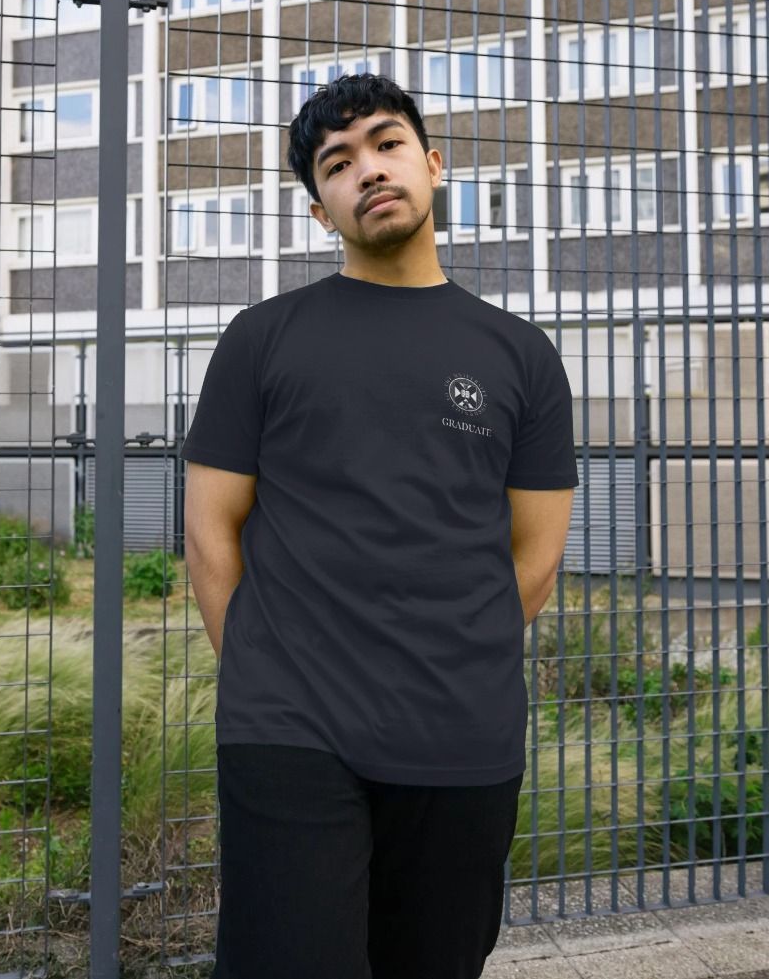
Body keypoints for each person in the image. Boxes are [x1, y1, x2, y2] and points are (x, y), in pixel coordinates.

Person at [182, 73, 578, 979]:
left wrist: (448, 655)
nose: (367, 168)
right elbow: (211, 533)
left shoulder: (520, 355)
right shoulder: (261, 339)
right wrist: (264, 668)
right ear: (321, 211)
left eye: (387, 143)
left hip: (461, 733)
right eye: (337, 162)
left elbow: (538, 554)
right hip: (290, 728)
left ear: (433, 165)